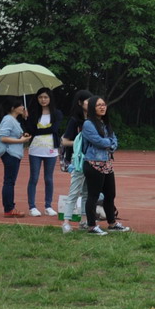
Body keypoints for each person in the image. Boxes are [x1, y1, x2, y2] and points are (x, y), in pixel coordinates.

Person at [81, 96, 129, 235]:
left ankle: (112, 223)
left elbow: (114, 140)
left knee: (110, 194)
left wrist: (110, 143)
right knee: (93, 195)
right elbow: (98, 141)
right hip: (93, 163)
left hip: (106, 163)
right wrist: (110, 143)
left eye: (103, 105)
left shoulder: (105, 123)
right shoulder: (88, 124)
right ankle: (91, 226)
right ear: (92, 108)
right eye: (98, 105)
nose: (102, 107)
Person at [23, 87, 63, 217]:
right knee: (34, 178)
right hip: (35, 150)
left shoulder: (57, 114)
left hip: (51, 150)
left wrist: (37, 131)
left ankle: (48, 206)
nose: (43, 100)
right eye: (40, 97)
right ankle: (32, 207)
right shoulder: (33, 113)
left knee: (49, 179)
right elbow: (29, 130)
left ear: (50, 98)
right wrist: (26, 119)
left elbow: (54, 129)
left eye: (45, 97)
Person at [60, 90, 93, 232]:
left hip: (92, 159)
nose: (90, 103)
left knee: (87, 192)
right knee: (74, 191)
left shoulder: (94, 120)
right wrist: (80, 142)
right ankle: (66, 222)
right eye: (87, 101)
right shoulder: (75, 121)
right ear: (80, 103)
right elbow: (65, 141)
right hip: (78, 159)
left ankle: (84, 221)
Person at [0, 98, 31, 218]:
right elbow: (3, 137)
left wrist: (23, 135)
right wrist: (20, 140)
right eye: (20, 106)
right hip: (10, 154)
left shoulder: (15, 120)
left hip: (14, 154)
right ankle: (9, 208)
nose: (23, 107)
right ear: (13, 108)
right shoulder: (8, 119)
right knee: (9, 182)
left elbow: (16, 134)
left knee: (10, 181)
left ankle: (9, 207)